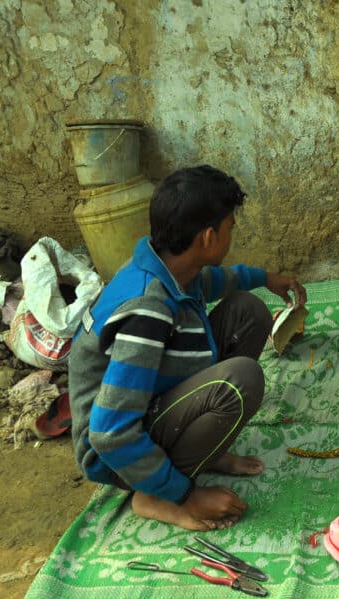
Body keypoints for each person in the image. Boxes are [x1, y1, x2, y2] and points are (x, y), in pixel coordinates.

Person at [68, 165, 305, 531]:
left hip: (151, 402)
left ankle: (203, 453)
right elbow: (109, 432)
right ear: (209, 237)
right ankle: (155, 495)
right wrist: (184, 495)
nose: (232, 235)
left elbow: (215, 281)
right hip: (113, 452)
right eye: (230, 228)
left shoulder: (172, 266)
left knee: (249, 312)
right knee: (240, 380)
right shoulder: (146, 311)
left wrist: (264, 278)